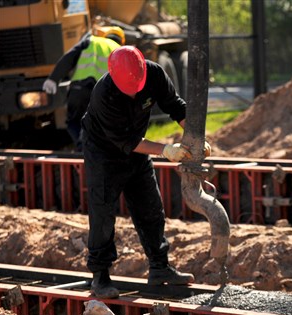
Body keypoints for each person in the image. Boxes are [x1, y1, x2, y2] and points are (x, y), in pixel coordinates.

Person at [81, 45, 205, 299]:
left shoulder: (155, 74)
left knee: (151, 209)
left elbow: (177, 107)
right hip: (104, 154)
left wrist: (195, 137)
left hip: (137, 151)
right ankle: (100, 277)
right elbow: (126, 141)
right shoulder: (103, 94)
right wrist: (165, 150)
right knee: (102, 214)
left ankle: (160, 267)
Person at [43, 26, 125, 151]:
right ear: (121, 40)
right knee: (102, 122)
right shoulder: (120, 50)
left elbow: (69, 57)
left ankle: (83, 147)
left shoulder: (91, 40)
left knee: (74, 121)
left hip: (79, 89)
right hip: (103, 92)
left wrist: (53, 78)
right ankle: (99, 149)